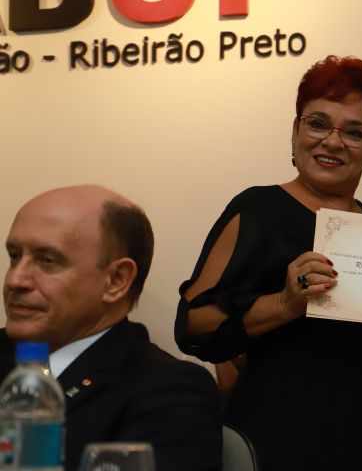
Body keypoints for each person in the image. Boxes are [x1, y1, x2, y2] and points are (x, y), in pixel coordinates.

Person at [175, 55, 362, 471]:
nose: (333, 142)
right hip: (284, 437)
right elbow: (193, 323)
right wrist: (285, 304)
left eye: (354, 132)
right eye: (318, 124)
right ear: (295, 130)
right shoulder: (258, 209)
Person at [2, 185, 221, 471]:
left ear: (116, 280)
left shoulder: (169, 391)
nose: (15, 280)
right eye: (14, 256)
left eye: (47, 261)